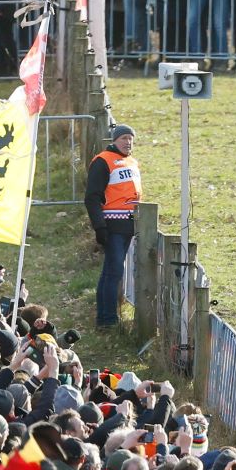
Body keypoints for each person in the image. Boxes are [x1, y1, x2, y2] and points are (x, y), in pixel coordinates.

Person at [85, 122, 141, 327]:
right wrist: (99, 227)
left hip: (129, 224)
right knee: (114, 271)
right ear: (114, 140)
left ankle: (105, 317)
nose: (128, 142)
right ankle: (108, 319)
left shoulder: (132, 163)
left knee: (112, 270)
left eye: (131, 139)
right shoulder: (102, 161)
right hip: (112, 225)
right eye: (124, 138)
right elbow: (92, 197)